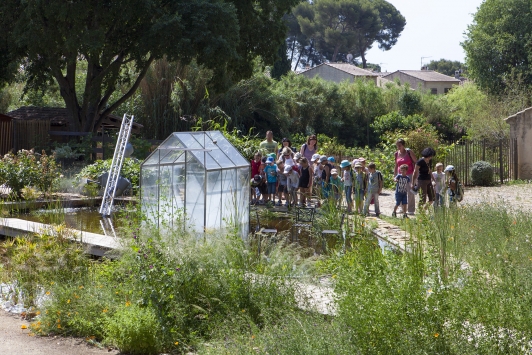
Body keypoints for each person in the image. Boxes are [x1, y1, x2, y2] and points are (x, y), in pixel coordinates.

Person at [394, 139, 418, 215]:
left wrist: (416, 174)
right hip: (400, 175)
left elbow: (416, 162)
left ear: (403, 145)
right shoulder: (396, 154)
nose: (398, 147)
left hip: (409, 173)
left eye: (399, 145)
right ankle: (402, 208)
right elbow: (396, 165)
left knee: (410, 191)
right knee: (400, 191)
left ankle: (411, 209)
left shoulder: (409, 152)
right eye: (397, 145)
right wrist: (394, 175)